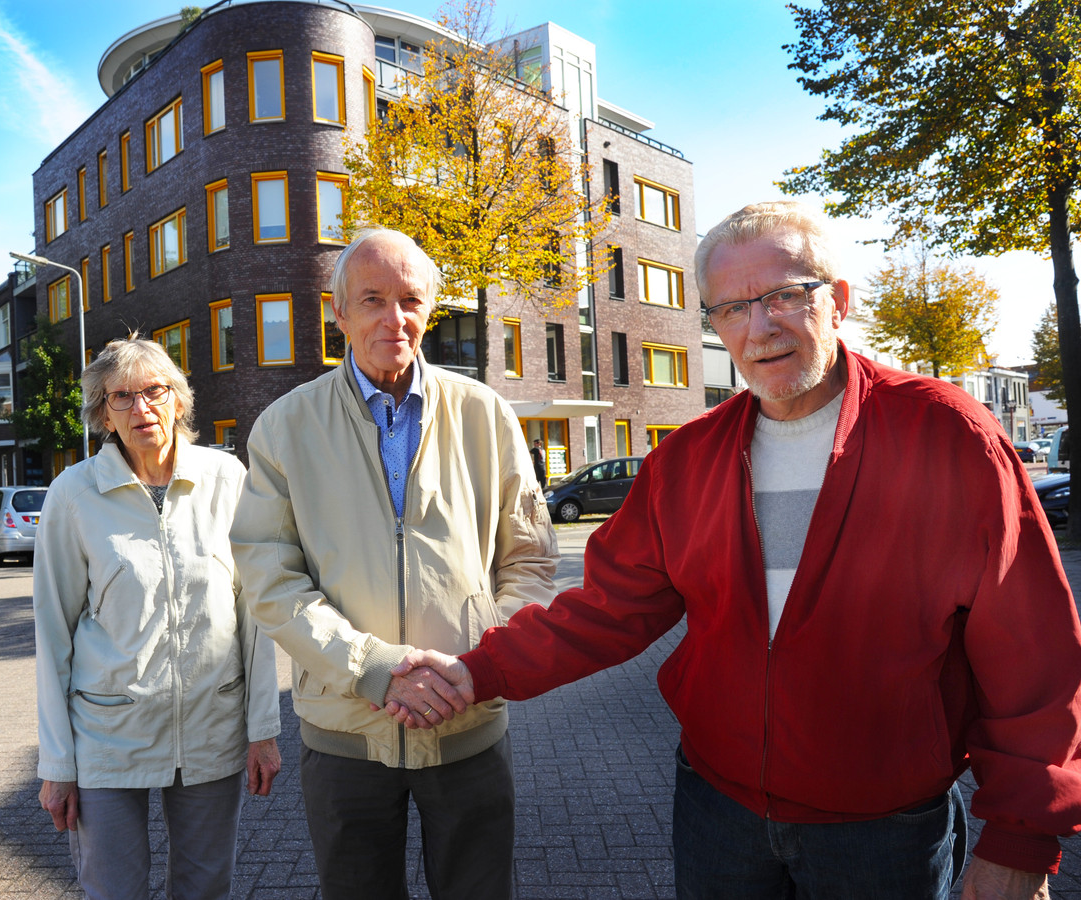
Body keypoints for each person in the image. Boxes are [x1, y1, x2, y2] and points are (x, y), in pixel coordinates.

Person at [390, 202, 1081, 899]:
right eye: (731, 309)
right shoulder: (686, 461)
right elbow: (605, 612)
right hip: (718, 813)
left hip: (883, 831)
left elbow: (1031, 650)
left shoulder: (947, 436)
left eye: (785, 295)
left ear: (838, 301)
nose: (760, 327)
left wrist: (1022, 835)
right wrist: (474, 673)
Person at [230, 227, 559, 900]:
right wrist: (373, 670)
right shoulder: (285, 427)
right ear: (339, 312)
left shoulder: (485, 414)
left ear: (430, 310)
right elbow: (268, 577)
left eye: (410, 299)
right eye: (372, 299)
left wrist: (476, 666)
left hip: (467, 723)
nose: (394, 318)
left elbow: (528, 557)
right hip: (347, 736)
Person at [33, 336, 282, 900]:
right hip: (107, 736)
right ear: (103, 414)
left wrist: (262, 729)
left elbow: (254, 613)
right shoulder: (73, 495)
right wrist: (58, 763)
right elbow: (52, 635)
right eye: (122, 397)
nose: (141, 409)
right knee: (114, 890)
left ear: (178, 399)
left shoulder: (226, 480)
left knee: (204, 888)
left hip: (212, 729)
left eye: (154, 391)